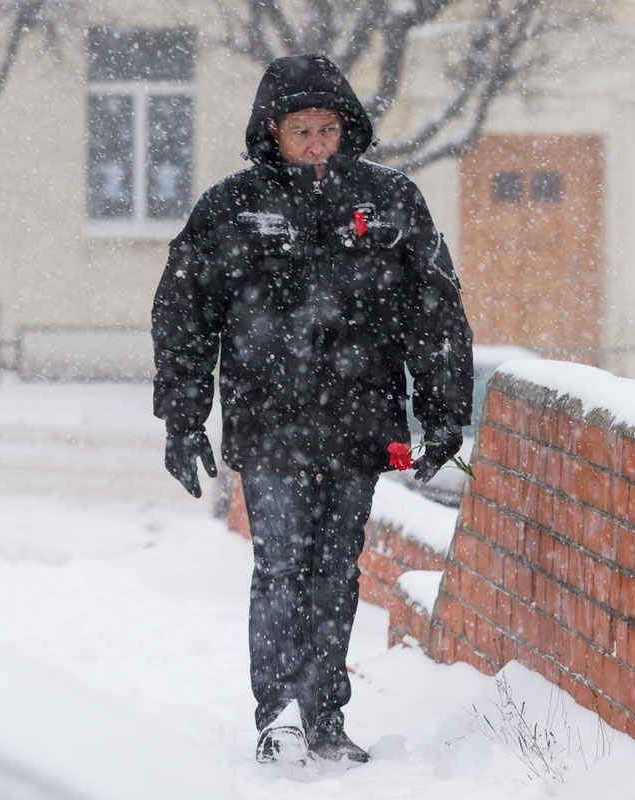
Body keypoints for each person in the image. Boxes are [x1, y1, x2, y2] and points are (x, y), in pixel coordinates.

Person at [151, 53, 474, 765]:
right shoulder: (232, 210)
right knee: (281, 567)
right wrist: (182, 417)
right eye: (304, 130)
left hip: (360, 424)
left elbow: (434, 312)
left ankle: (325, 713)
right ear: (274, 131)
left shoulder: (389, 204)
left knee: (336, 570)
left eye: (330, 128)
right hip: (270, 428)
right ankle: (281, 714)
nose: (319, 144)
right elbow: (184, 315)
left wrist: (445, 411)